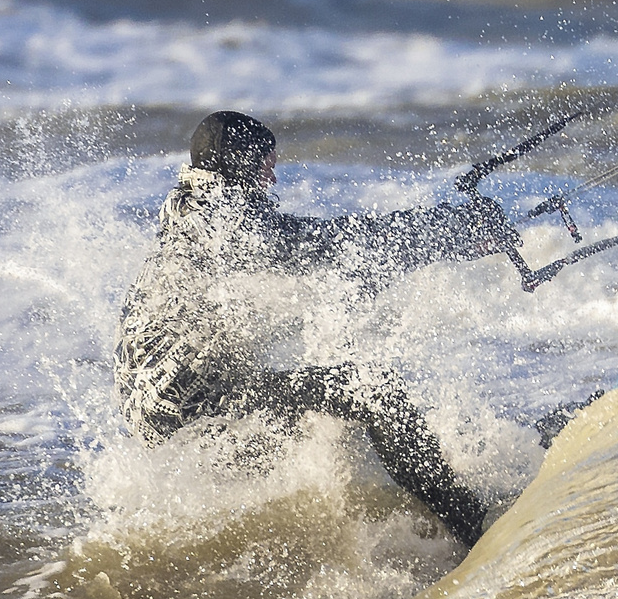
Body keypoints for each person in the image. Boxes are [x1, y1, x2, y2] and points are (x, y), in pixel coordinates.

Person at [114, 110, 522, 545]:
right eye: (265, 166)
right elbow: (324, 248)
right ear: (238, 163)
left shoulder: (191, 204)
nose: (271, 181)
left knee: (333, 421)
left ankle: (395, 547)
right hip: (192, 413)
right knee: (373, 391)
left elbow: (319, 266)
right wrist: (455, 229)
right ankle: (478, 530)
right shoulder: (219, 218)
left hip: (171, 411)